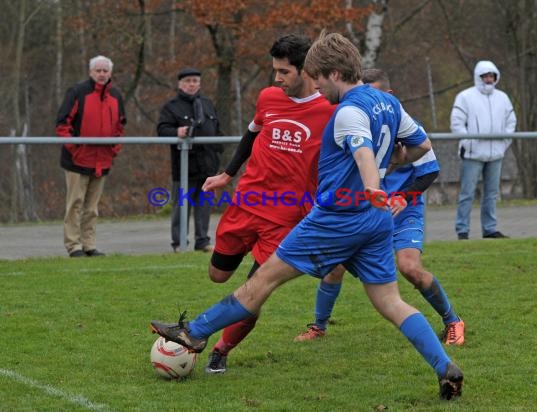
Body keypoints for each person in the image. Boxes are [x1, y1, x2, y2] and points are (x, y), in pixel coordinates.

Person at [151, 32, 463, 400]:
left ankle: (194, 333)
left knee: (261, 281)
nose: (315, 86)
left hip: (335, 218)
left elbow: (362, 152)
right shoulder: (387, 103)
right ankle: (445, 366)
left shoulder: (347, 111)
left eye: (317, 78)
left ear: (333, 73)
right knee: (391, 302)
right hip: (375, 222)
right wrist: (389, 165)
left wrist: (371, 182)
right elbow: (421, 146)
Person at [295, 68, 465, 346]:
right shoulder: (355, 121)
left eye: (373, 93)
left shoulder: (406, 126)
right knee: (334, 267)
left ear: (388, 95)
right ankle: (319, 326)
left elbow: (429, 170)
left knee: (409, 267)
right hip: (368, 211)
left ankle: (453, 321)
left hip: (403, 208)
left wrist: (402, 197)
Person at [199, 33, 336, 374]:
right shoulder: (268, 98)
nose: (277, 78)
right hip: (246, 205)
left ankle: (221, 349)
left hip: (285, 218)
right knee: (218, 275)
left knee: (255, 290)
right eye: (274, 70)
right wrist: (227, 174)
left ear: (306, 71)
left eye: (284, 72)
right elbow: (252, 133)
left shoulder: (330, 111)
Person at [56, 55, 126, 258]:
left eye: (105, 71)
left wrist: (113, 149)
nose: (102, 74)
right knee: (75, 203)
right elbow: (62, 124)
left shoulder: (116, 96)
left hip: (102, 160)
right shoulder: (77, 92)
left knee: (92, 207)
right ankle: (73, 245)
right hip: (77, 160)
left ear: (110, 73)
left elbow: (120, 126)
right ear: (91, 72)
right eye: (98, 70)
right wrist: (74, 148)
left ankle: (89, 244)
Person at [157, 68, 224, 252]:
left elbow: (217, 129)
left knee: (204, 207)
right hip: (184, 166)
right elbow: (162, 130)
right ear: (180, 84)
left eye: (195, 80)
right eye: (188, 81)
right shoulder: (171, 107)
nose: (192, 84)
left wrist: (219, 153)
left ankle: (202, 241)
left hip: (208, 166)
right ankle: (179, 243)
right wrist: (176, 132)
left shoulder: (208, 104)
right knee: (182, 206)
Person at [451, 60, 517, 240]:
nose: (488, 79)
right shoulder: (465, 97)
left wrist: (503, 143)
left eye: (491, 76)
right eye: (485, 76)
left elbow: (511, 122)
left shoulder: (503, 98)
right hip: (473, 154)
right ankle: (462, 230)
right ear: (478, 77)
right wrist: (468, 142)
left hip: (496, 154)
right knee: (467, 193)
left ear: (496, 77)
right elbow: (456, 123)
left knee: (492, 193)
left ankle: (489, 229)